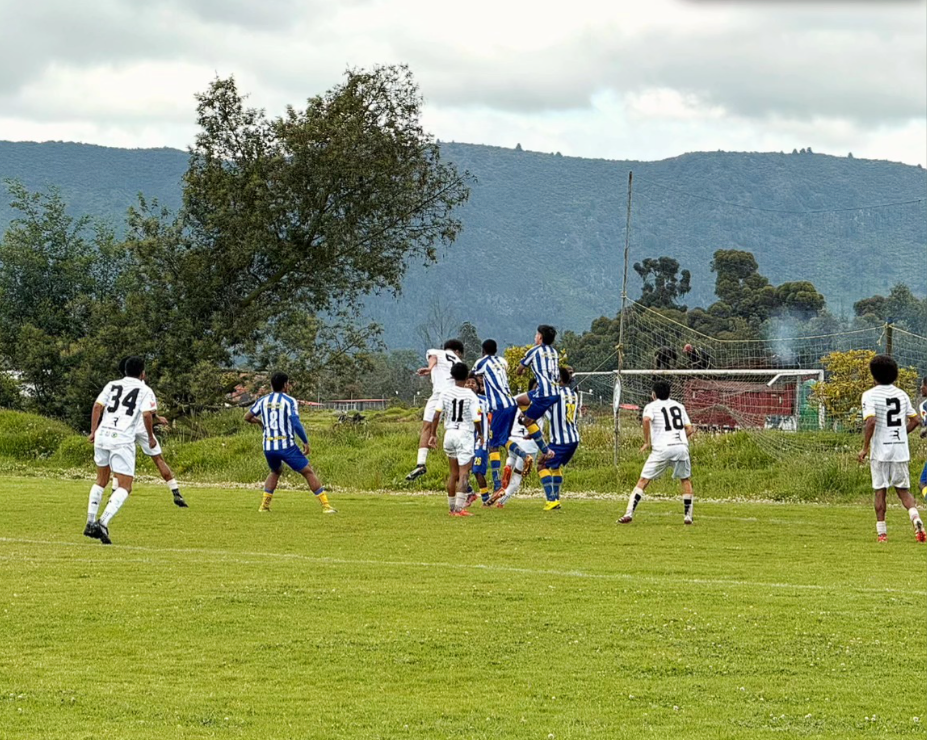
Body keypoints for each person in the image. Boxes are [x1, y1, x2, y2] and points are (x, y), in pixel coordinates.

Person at [84, 356, 158, 545]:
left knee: (101, 480)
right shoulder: (145, 390)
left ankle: (90, 521)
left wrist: (93, 431)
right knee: (125, 486)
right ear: (143, 373)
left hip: (102, 435)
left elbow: (97, 406)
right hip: (122, 439)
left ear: (125, 371)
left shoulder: (112, 385)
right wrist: (150, 437)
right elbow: (147, 415)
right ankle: (103, 522)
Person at [245, 372, 336, 514]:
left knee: (275, 471)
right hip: (286, 445)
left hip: (268, 446)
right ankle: (326, 506)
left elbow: (247, 417)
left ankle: (264, 506)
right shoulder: (289, 401)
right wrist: (305, 441)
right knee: (308, 471)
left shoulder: (263, 400)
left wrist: (260, 423)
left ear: (271, 385)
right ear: (285, 385)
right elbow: (295, 423)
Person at [857, 356, 924, 542]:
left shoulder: (870, 395)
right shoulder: (901, 395)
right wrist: (901, 433)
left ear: (874, 375)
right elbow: (916, 420)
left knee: (880, 491)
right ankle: (916, 518)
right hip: (900, 450)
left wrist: (865, 448)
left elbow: (871, 421)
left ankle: (882, 534)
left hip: (880, 451)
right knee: (903, 491)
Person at [619, 379, 696, 525]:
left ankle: (628, 513)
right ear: (669, 393)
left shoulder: (651, 406)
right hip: (681, 447)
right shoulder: (679, 406)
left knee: (644, 480)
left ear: (653, 394)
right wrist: (680, 439)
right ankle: (688, 516)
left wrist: (647, 442)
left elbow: (646, 420)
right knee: (685, 479)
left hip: (662, 448)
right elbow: (690, 429)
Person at [406, 339, 465, 481]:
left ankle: (421, 463)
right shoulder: (459, 362)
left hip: (439, 394)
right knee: (455, 429)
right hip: (454, 395)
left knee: (426, 426)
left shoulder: (437, 352)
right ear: (457, 351)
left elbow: (433, 357)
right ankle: (461, 467)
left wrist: (429, 368)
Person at [472, 339, 521, 496]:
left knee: (493, 444)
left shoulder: (481, 362)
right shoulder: (502, 361)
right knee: (503, 440)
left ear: (483, 351)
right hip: (511, 403)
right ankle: (522, 455)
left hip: (498, 406)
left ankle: (497, 483)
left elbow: (472, 374)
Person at [439, 362, 482, 516]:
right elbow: (476, 418)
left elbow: (437, 414)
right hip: (464, 434)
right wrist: (481, 434)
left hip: (449, 433)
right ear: (466, 376)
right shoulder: (470, 395)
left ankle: (451, 508)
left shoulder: (445, 393)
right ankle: (459, 508)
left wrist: (432, 435)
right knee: (464, 473)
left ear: (452, 376)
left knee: (453, 473)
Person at [513, 325, 560, 462]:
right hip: (553, 390)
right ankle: (533, 430)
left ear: (540, 337)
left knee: (526, 421)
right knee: (520, 400)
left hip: (544, 394)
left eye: (536, 334)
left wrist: (520, 371)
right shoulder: (554, 352)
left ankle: (546, 451)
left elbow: (519, 369)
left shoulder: (534, 351)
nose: (535, 337)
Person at [537, 366, 581, 511]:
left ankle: (551, 500)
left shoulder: (554, 394)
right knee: (555, 467)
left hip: (560, 441)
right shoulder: (574, 394)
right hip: (574, 438)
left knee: (542, 465)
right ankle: (556, 498)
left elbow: (542, 408)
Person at [465, 374, 490, 506]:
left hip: (481, 441)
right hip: (465, 440)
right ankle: (470, 493)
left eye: (473, 383)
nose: (470, 385)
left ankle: (486, 499)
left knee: (477, 470)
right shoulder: (461, 401)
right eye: (467, 382)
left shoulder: (484, 401)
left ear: (478, 386)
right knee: (461, 470)